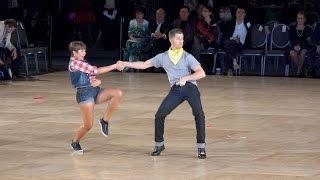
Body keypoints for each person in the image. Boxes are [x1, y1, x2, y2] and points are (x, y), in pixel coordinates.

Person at [118, 28, 207, 159]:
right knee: (159, 115)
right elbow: (144, 64)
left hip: (190, 88)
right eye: (178, 38)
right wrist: (125, 63)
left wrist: (186, 78)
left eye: (182, 39)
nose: (181, 41)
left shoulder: (187, 56)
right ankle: (159, 144)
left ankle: (201, 147)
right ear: (171, 40)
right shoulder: (163, 57)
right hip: (176, 89)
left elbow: (201, 73)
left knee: (199, 114)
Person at [68, 41, 123, 154]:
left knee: (117, 93)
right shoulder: (75, 63)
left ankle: (104, 121)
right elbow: (95, 70)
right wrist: (115, 66)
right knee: (88, 125)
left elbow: (91, 74)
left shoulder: (82, 62)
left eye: (85, 50)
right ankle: (75, 142)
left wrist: (96, 81)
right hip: (85, 95)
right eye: (82, 51)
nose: (84, 53)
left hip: (94, 91)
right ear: (74, 53)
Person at [289, 11, 311, 76]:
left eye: (301, 18)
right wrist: (295, 46)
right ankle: (302, 68)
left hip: (304, 46)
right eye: (298, 18)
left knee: (303, 52)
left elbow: (307, 41)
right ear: (296, 18)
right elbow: (291, 39)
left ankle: (298, 72)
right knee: (292, 54)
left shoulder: (308, 29)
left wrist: (300, 46)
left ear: (304, 19)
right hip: (294, 46)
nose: (300, 20)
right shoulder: (292, 28)